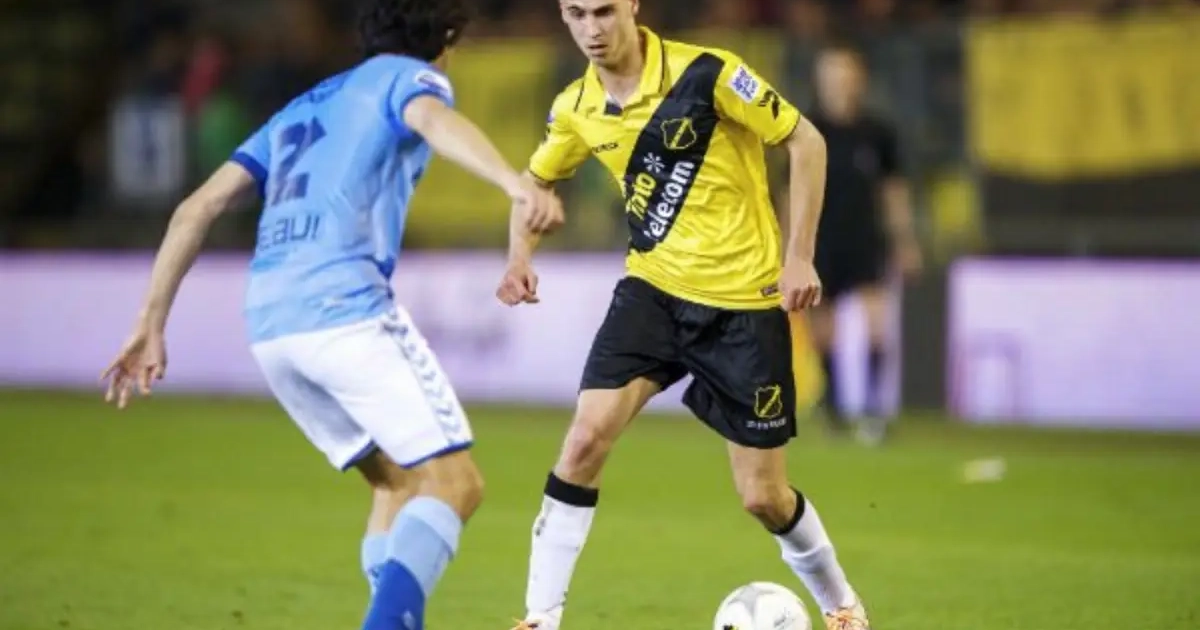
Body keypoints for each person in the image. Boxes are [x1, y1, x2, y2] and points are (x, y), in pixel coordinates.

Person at [98, 2, 563, 630]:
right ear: (447, 35)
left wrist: (151, 323)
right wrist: (512, 182)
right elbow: (431, 120)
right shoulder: (412, 78)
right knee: (457, 485)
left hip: (271, 325)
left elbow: (195, 208)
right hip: (343, 306)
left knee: (395, 483)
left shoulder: (301, 107)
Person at [496, 2, 871, 629]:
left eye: (604, 11)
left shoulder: (709, 73)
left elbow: (806, 140)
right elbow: (534, 183)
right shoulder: (576, 107)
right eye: (576, 14)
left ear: (632, 5)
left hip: (744, 305)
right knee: (584, 441)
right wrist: (517, 256)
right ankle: (539, 618)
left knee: (763, 496)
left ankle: (842, 605)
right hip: (654, 291)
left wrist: (800, 256)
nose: (592, 29)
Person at [805, 43, 922, 445]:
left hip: (866, 239)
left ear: (860, 80)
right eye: (831, 74)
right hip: (821, 240)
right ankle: (834, 405)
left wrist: (904, 240)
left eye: (846, 74)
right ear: (820, 81)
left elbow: (893, 191)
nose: (839, 83)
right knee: (823, 328)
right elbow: (790, 192)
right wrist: (790, 247)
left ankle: (873, 409)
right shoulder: (807, 130)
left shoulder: (877, 133)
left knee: (876, 323)